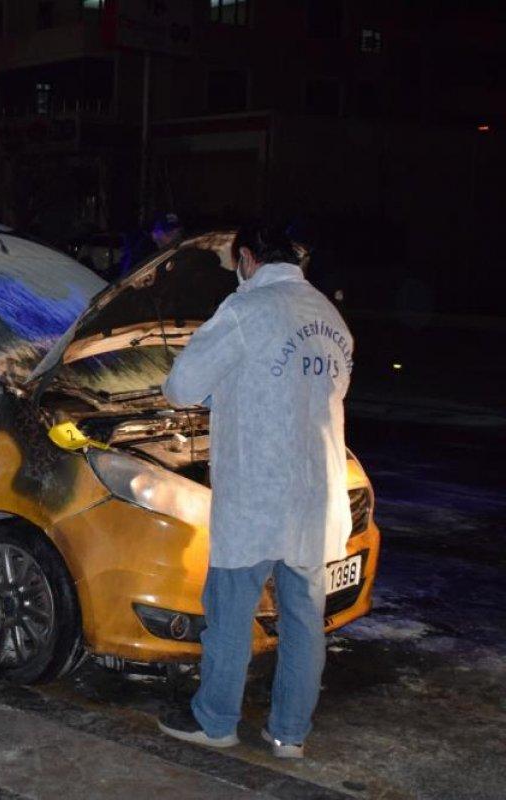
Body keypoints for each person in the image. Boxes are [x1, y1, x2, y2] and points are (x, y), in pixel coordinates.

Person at [157, 222, 355, 759]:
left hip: (256, 494)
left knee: (229, 615)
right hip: (316, 495)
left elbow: (181, 387)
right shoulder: (328, 316)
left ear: (247, 258)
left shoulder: (245, 311)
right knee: (303, 622)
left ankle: (216, 720)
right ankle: (290, 733)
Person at [119, 212, 184, 277]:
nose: (175, 238)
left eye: (178, 233)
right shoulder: (141, 256)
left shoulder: (182, 250)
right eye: (169, 233)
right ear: (155, 234)